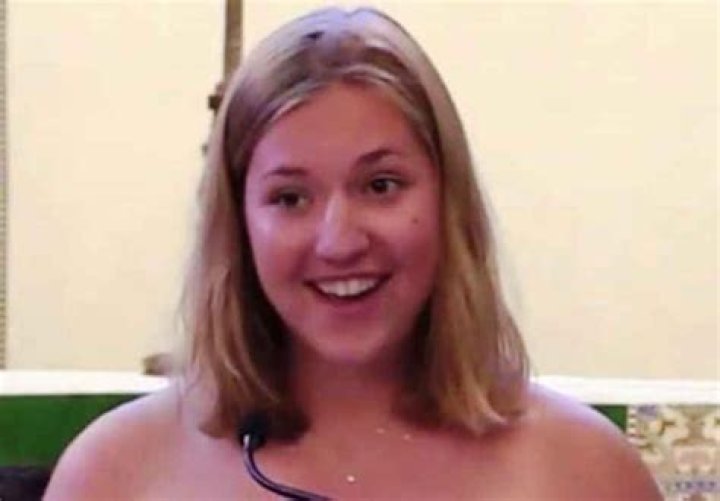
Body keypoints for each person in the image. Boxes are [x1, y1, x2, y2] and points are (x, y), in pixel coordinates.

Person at [45, 6, 661, 500]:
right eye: (290, 198)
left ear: (448, 202)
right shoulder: (116, 474)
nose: (339, 241)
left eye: (381, 186)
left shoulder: (582, 472)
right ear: (239, 226)